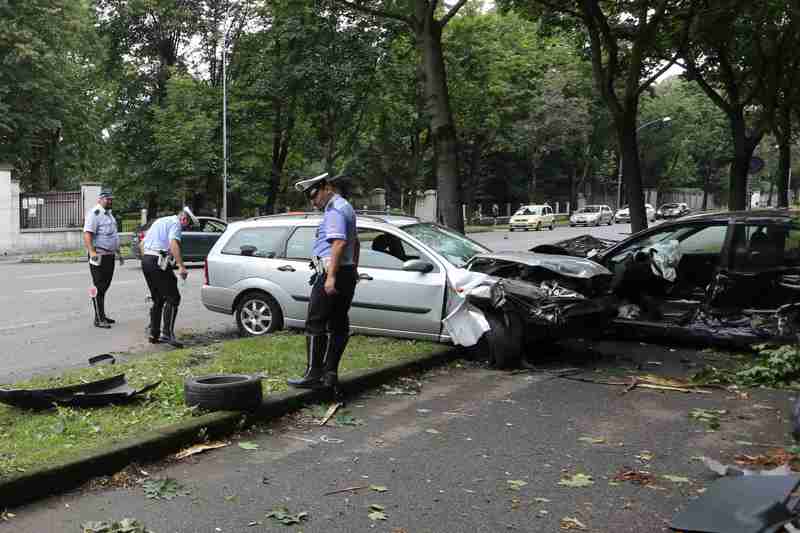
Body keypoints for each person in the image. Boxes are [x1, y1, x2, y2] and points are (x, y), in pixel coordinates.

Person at [287, 173, 359, 396]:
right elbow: (354, 243)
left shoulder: (335, 210)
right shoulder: (345, 207)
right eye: (310, 197)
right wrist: (353, 268)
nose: (312, 201)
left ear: (327, 188)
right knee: (338, 323)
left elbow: (338, 243)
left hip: (331, 271)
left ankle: (313, 374)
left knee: (315, 322)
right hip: (344, 271)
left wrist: (330, 277)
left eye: (314, 194)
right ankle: (330, 374)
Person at [140, 206, 198, 347]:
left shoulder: (161, 221)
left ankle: (154, 334)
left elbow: (142, 244)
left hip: (147, 260)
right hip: (157, 262)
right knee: (173, 297)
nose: (185, 228)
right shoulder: (175, 224)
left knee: (158, 298)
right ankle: (167, 334)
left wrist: (148, 260)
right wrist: (181, 266)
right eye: (187, 225)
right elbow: (173, 243)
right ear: (183, 218)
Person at [83, 190, 123, 328]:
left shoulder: (109, 214)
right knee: (98, 285)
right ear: (100, 199)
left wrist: (119, 252)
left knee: (105, 286)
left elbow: (113, 236)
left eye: (112, 199)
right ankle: (99, 319)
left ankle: (101, 315)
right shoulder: (95, 214)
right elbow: (87, 234)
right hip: (98, 255)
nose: (111, 201)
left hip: (109, 255)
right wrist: (92, 252)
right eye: (108, 199)